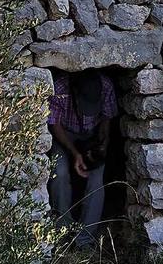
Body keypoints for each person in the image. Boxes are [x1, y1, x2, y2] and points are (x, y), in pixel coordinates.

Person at [47, 70, 117, 248]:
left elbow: (106, 119)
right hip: (64, 134)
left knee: (96, 181)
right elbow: (54, 124)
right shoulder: (61, 87)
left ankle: (85, 240)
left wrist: (102, 145)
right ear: (76, 95)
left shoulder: (106, 85)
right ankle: (62, 232)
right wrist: (75, 153)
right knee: (59, 173)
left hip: (92, 135)